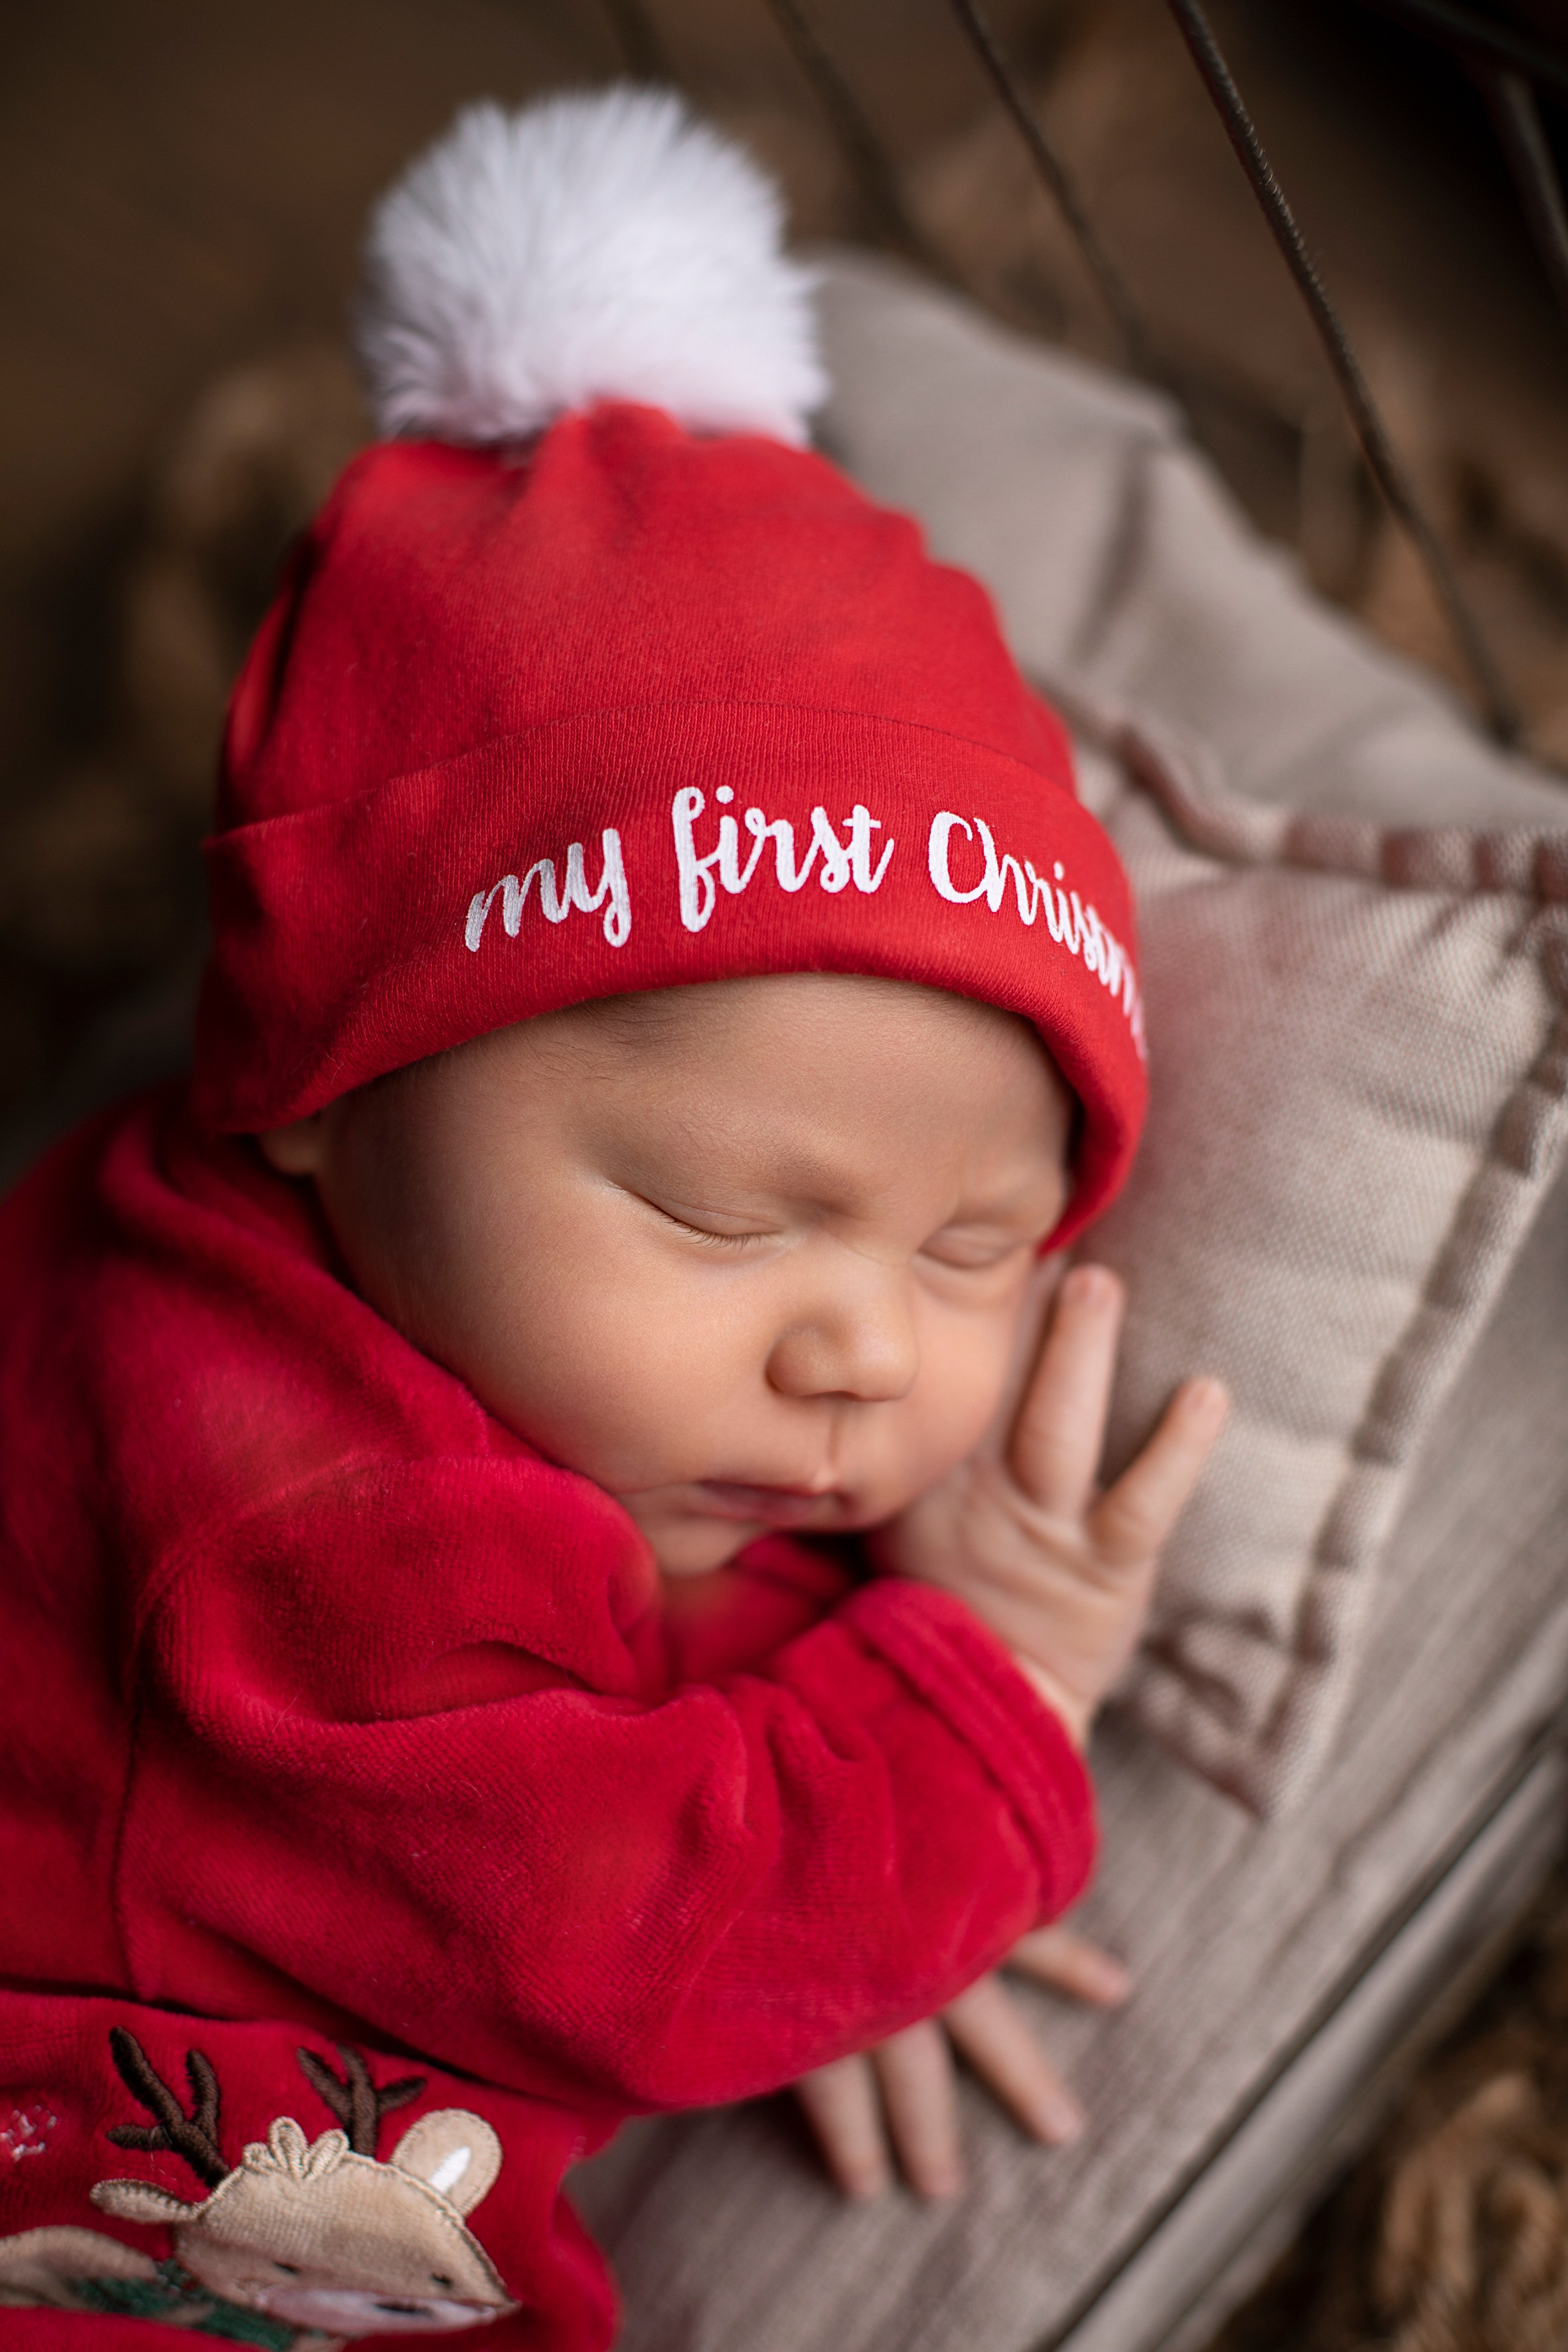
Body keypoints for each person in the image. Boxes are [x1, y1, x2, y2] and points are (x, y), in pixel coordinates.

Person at [0, 88, 1225, 2351]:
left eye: (980, 1249)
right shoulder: (287, 1506)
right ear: (314, 1089)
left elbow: (599, 1642)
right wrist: (983, 1707)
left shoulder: (437, 1317)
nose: (862, 1351)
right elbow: (635, 1930)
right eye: (716, 1209)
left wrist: (841, 1765)